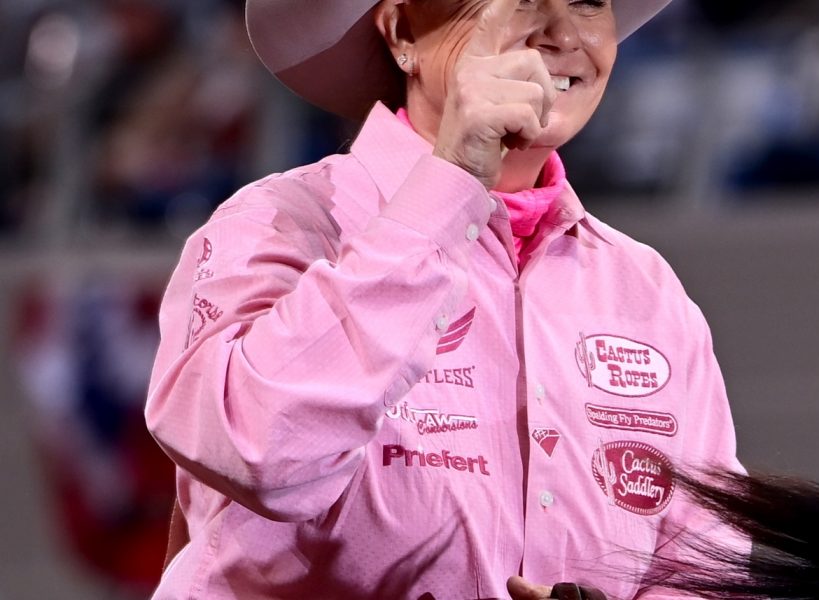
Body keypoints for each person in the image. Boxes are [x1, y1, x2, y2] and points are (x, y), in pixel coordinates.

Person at [143, 0, 743, 598]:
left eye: (588, 1)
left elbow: (710, 565)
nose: (562, 32)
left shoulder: (647, 287)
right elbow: (263, 454)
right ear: (403, 31)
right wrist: (452, 177)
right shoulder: (276, 224)